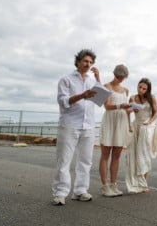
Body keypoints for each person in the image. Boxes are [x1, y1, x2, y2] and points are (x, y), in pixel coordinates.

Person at [52, 48, 101, 206]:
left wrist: (98, 79)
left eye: (91, 62)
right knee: (64, 160)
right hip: (70, 125)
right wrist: (82, 95)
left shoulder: (92, 81)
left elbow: (100, 100)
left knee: (85, 161)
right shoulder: (66, 80)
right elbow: (63, 102)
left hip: (88, 125)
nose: (88, 64)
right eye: (85, 61)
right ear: (78, 61)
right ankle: (60, 193)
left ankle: (80, 191)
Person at [125, 78, 157, 193]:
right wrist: (130, 117)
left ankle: (144, 182)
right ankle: (137, 182)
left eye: (144, 88)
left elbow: (156, 113)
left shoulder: (151, 98)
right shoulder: (132, 98)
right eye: (140, 87)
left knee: (144, 154)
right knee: (134, 155)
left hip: (148, 126)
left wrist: (149, 122)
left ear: (148, 90)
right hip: (137, 126)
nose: (141, 90)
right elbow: (128, 112)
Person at [99, 64, 132, 197]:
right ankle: (104, 186)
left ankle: (113, 184)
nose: (121, 79)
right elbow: (106, 106)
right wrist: (120, 105)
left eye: (123, 77)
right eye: (119, 77)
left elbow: (126, 109)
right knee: (105, 154)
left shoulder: (126, 90)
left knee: (117, 155)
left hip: (121, 122)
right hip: (110, 121)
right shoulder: (107, 86)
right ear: (115, 74)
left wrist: (130, 112)